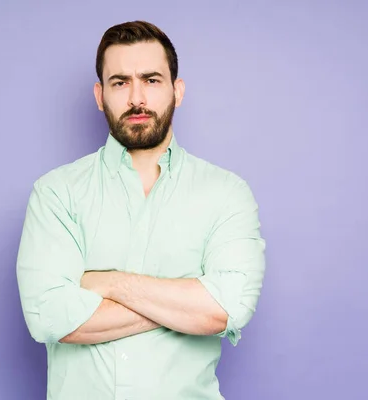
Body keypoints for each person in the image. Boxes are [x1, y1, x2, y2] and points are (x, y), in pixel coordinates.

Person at [16, 20, 266, 400]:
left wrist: (110, 283)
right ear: (100, 95)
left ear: (176, 91)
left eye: (151, 80)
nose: (137, 98)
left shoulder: (226, 193)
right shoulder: (56, 193)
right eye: (120, 82)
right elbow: (47, 316)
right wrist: (184, 310)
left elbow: (228, 308)